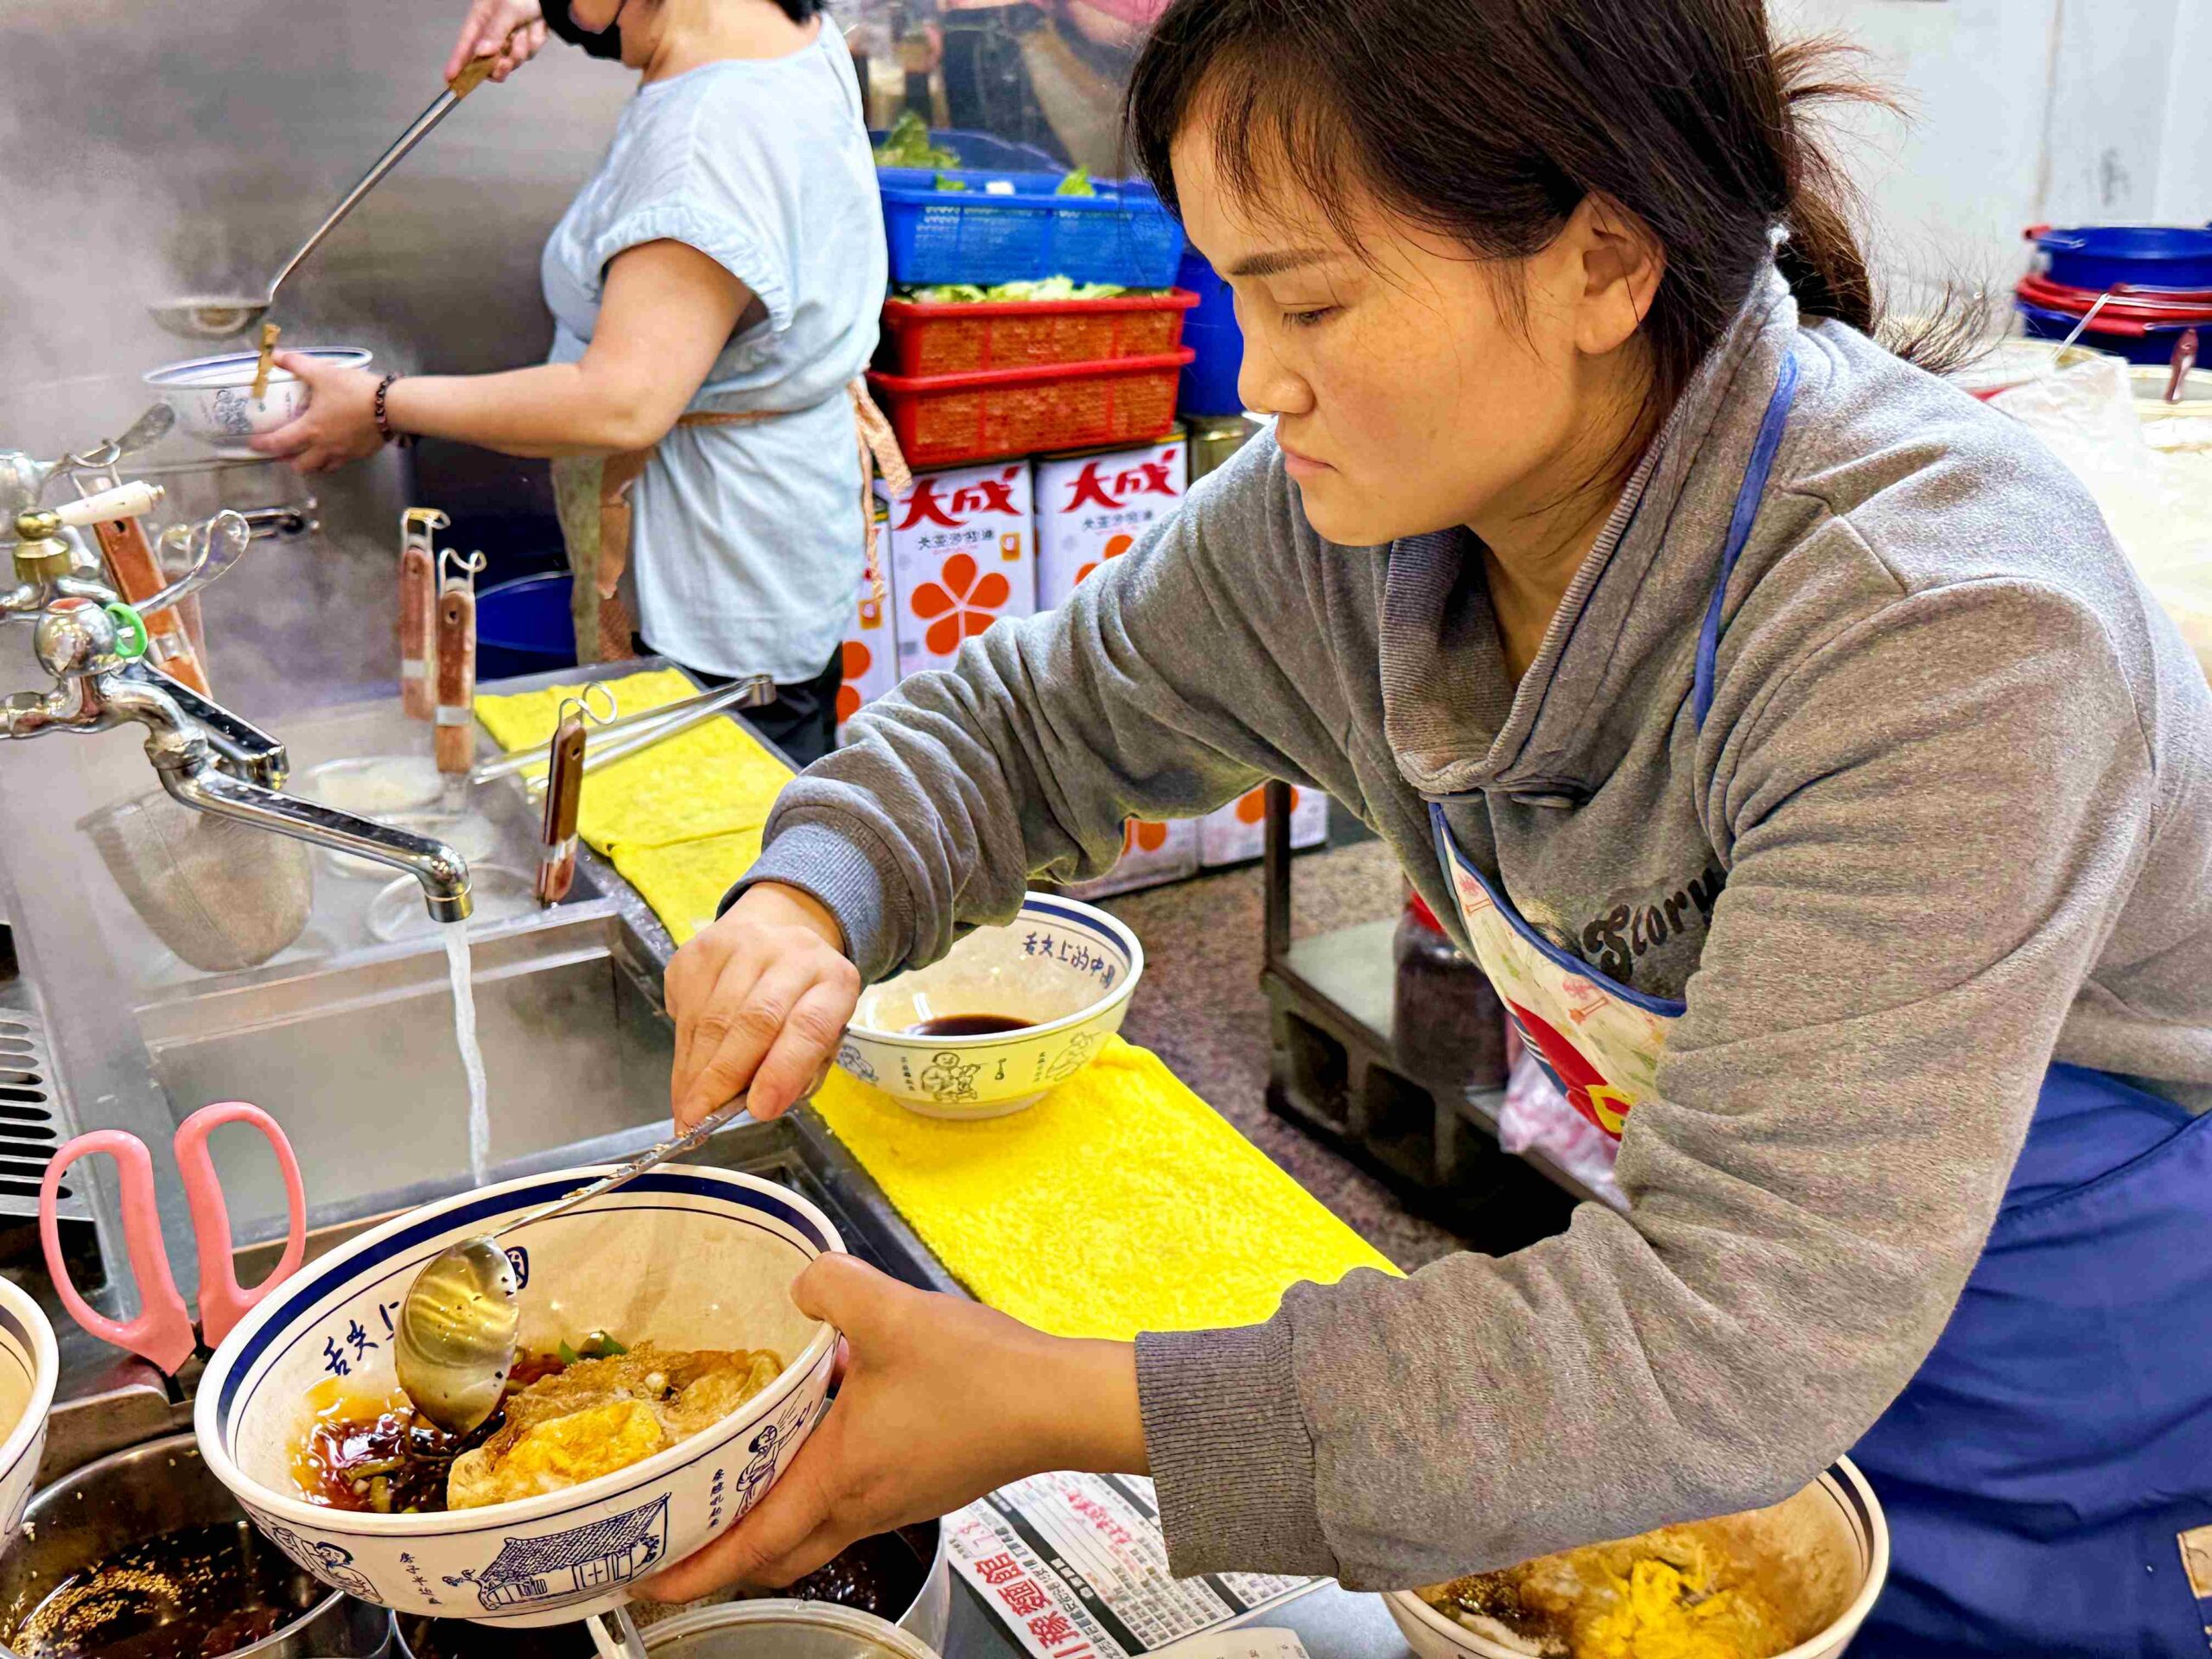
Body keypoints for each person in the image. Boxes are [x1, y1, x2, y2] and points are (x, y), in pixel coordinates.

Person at [646, 0, 2212, 1651]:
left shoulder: (1940, 630)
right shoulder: (1347, 531)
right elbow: (1030, 721)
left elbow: (1731, 1326)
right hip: (1724, 1282)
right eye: (1233, 289)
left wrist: (1059, 1400)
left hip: (2060, 1314)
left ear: (1605, 261)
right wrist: (808, 902)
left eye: (1309, 297)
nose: (1258, 375)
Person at [254, 0, 905, 767]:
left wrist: (382, 407)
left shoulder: (710, 140)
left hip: (718, 587)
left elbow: (621, 402)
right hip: (774, 542)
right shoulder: (776, 28)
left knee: (732, 854)